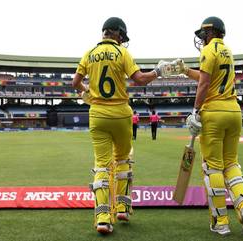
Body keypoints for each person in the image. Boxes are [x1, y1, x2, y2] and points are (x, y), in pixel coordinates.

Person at [72, 17, 170, 234]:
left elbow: (75, 82)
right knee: (123, 159)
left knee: (102, 166)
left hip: (97, 113)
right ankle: (123, 207)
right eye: (122, 36)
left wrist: (86, 92)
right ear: (117, 33)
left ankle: (103, 219)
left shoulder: (89, 53)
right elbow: (141, 80)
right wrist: (158, 72)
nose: (123, 40)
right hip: (121, 113)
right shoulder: (123, 53)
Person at [179, 16, 243, 235]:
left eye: (204, 34)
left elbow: (204, 84)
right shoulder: (227, 51)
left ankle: (220, 221)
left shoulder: (207, 50)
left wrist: (195, 110)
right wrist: (186, 70)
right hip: (233, 111)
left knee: (212, 167)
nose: (202, 38)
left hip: (214, 112)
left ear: (210, 32)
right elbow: (209, 77)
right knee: (231, 163)